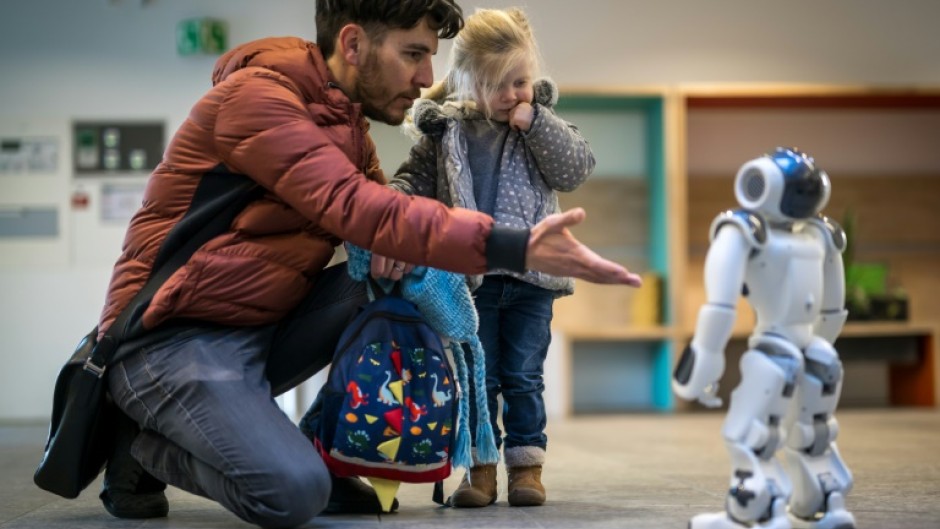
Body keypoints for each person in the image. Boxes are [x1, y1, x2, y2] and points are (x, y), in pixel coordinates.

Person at [94, 1, 642, 528]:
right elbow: (361, 206)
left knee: (413, 284)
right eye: (413, 54)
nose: (428, 77)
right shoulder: (258, 100)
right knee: (291, 493)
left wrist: (397, 242)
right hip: (175, 335)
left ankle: (325, 441)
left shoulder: (348, 125)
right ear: (353, 44)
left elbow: (386, 213)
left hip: (262, 328)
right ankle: (144, 443)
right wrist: (512, 246)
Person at [387, 7, 638, 509]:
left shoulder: (538, 123)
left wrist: (537, 122)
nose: (511, 95)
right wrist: (387, 207)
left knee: (523, 376)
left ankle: (527, 469)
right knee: (480, 377)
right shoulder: (446, 132)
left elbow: (575, 169)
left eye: (520, 81)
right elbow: (409, 183)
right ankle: (480, 472)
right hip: (470, 282)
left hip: (531, 281)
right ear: (466, 83)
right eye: (497, 85)